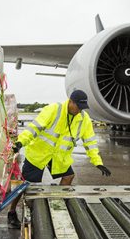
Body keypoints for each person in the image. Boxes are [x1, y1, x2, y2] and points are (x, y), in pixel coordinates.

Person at [8, 89, 111, 228]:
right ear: (71, 102)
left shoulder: (84, 119)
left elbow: (90, 142)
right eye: (78, 106)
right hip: (40, 153)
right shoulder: (53, 110)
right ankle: (12, 212)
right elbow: (34, 129)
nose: (80, 110)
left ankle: (59, 205)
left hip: (58, 157)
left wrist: (97, 162)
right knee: (25, 184)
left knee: (69, 176)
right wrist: (21, 142)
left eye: (82, 108)